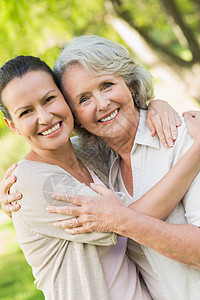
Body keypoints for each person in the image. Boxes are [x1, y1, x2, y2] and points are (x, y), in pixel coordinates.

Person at [1, 37, 200, 300]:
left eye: (49, 99)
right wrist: (195, 155)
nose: (45, 117)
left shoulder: (97, 154)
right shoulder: (36, 182)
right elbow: (123, 222)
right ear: (12, 125)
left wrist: (155, 104)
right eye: (26, 112)